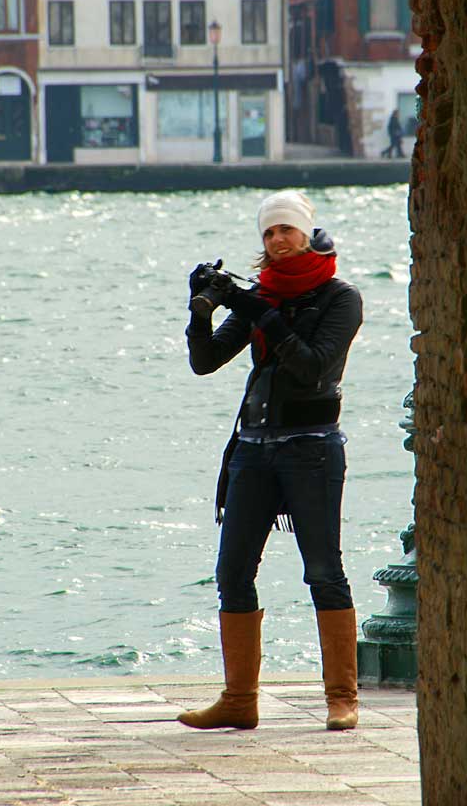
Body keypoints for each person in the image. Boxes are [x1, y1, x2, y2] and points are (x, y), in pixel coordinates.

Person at [178, 190, 363, 732]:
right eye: (268, 233)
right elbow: (205, 362)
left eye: (286, 229)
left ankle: (342, 697)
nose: (277, 239)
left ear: (307, 233)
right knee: (232, 572)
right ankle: (239, 700)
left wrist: (258, 309)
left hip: (312, 449)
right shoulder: (260, 296)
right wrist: (200, 312)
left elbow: (311, 368)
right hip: (254, 450)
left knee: (324, 571)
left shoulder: (340, 298)